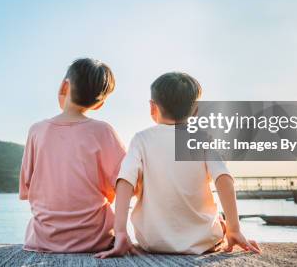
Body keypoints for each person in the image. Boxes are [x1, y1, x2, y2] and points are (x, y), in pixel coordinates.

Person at [95, 72, 261, 257]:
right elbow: (224, 180)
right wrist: (234, 229)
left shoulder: (141, 139)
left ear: (152, 107)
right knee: (220, 222)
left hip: (152, 242)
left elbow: (125, 182)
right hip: (203, 241)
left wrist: (120, 233)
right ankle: (222, 229)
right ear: (196, 110)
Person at [19, 58, 126, 252]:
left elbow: (27, 186)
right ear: (99, 104)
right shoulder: (103, 131)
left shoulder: (36, 131)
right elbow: (125, 182)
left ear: (64, 86)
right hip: (96, 239)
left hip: (43, 239)